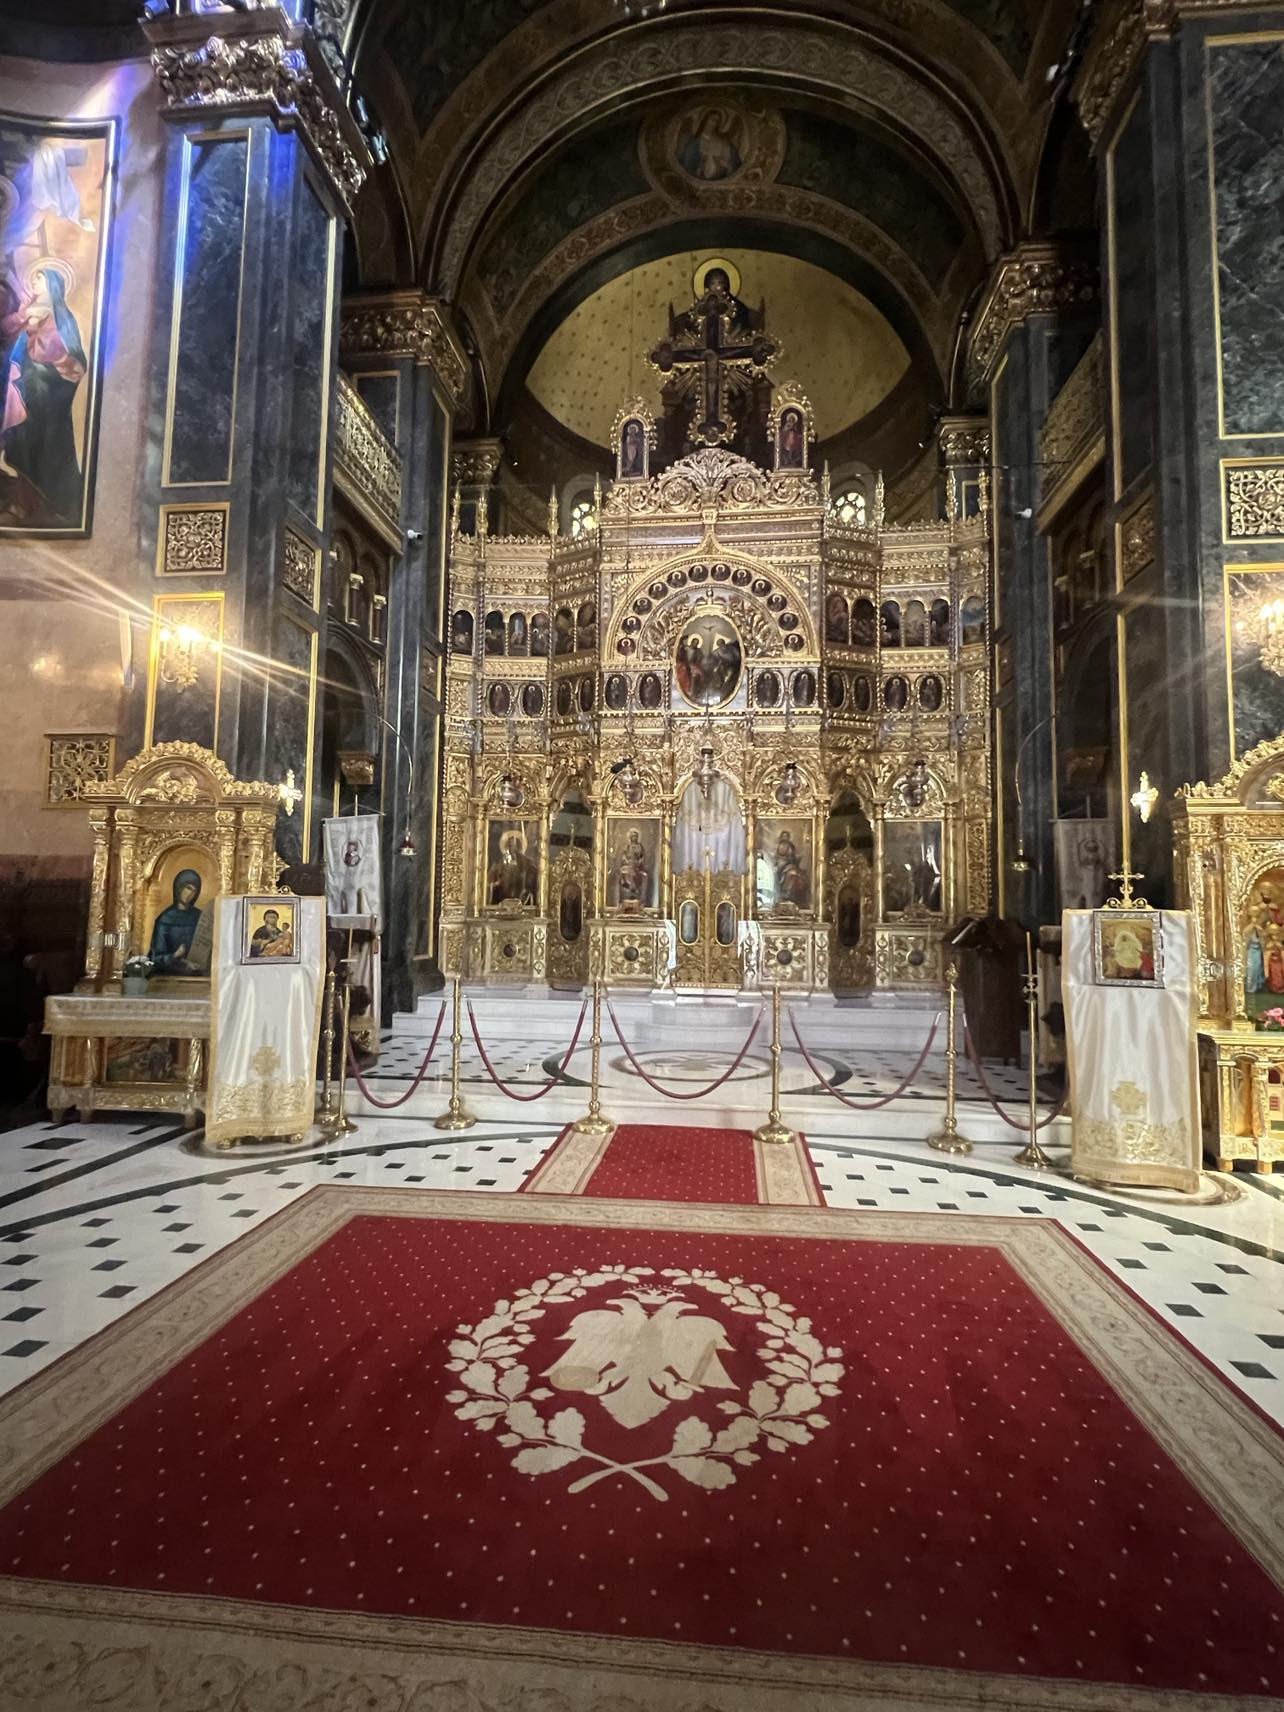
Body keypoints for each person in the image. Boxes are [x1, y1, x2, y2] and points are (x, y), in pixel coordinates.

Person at [1, 265, 87, 524]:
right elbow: (5, 331)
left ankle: (45, 505)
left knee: (40, 446)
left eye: (40, 280)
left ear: (52, 285)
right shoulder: (30, 310)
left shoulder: (60, 316)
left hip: (46, 396)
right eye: (34, 279)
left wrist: (33, 331)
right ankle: (22, 504)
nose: (35, 284)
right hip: (22, 392)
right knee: (20, 445)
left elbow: (62, 354)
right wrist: (23, 316)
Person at [148, 870, 204, 975]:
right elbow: (155, 959)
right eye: (188, 888)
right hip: (168, 978)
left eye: (194, 891)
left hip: (197, 976)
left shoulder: (200, 917)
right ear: (179, 887)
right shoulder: (165, 919)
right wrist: (175, 955)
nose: (190, 894)